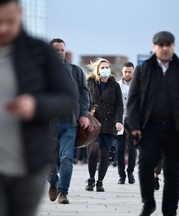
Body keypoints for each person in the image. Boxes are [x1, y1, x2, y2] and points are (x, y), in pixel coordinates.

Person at [0, 0, 77, 215]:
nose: (3, 29)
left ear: (20, 13)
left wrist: (36, 106)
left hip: (29, 165)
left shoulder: (38, 53)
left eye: (9, 22)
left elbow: (68, 99)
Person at [125, 31, 179, 216]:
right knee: (145, 165)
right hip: (149, 127)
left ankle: (170, 210)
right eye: (161, 45)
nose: (165, 48)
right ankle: (148, 202)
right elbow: (133, 101)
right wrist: (134, 126)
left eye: (169, 44)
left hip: (175, 129)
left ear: (173, 46)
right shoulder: (143, 71)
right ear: (154, 47)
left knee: (172, 171)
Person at [47, 38, 90, 204]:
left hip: (69, 122)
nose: (59, 53)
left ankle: (63, 192)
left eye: (62, 50)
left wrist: (84, 114)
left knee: (66, 158)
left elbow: (84, 94)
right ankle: (53, 181)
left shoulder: (75, 71)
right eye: (56, 50)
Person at [85, 58, 123, 192]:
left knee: (106, 153)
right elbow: (84, 100)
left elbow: (119, 105)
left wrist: (118, 121)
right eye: (103, 67)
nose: (105, 70)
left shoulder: (115, 86)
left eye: (107, 67)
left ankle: (100, 182)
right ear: (97, 70)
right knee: (94, 150)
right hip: (94, 124)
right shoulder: (90, 83)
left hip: (110, 123)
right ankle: (91, 178)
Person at [117, 62, 137, 184]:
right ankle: (121, 175)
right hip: (120, 121)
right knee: (120, 149)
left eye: (130, 72)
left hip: (133, 121)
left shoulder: (138, 85)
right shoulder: (117, 85)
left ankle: (130, 173)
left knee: (132, 149)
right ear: (122, 72)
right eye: (126, 71)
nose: (128, 74)